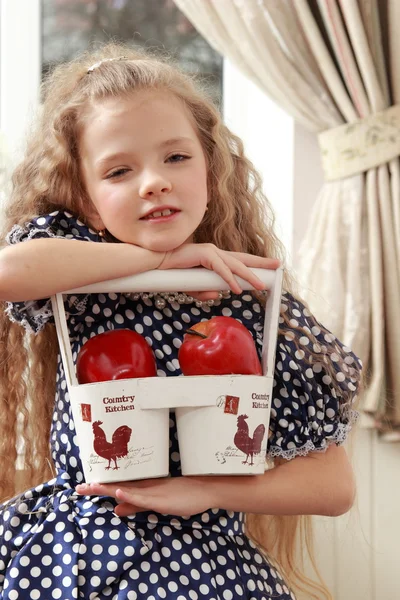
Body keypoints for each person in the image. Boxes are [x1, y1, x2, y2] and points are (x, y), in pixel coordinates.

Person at [0, 44, 361, 600]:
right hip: (76, 554)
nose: (153, 183)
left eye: (176, 158)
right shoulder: (79, 276)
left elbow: (333, 486)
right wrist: (164, 260)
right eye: (119, 171)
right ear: (90, 203)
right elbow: (9, 272)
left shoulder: (249, 303)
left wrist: (202, 489)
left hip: (207, 561)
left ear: (211, 173)